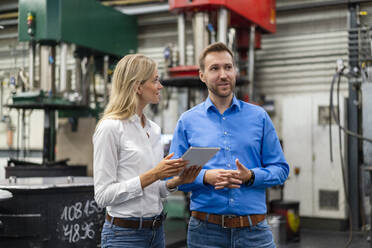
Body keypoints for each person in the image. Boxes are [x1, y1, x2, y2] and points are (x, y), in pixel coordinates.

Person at [169, 42, 290, 248]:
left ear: (235, 71)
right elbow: (173, 177)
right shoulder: (188, 121)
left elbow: (280, 170)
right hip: (205, 234)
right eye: (214, 68)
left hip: (254, 232)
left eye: (228, 67)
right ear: (202, 76)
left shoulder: (258, 117)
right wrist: (206, 177)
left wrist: (250, 176)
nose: (223, 74)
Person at [93, 54, 201, 248]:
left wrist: (176, 181)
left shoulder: (153, 129)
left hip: (156, 233)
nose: (160, 86)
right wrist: (154, 174)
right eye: (155, 80)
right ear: (137, 87)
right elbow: (102, 196)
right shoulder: (110, 128)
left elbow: (153, 191)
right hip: (124, 236)